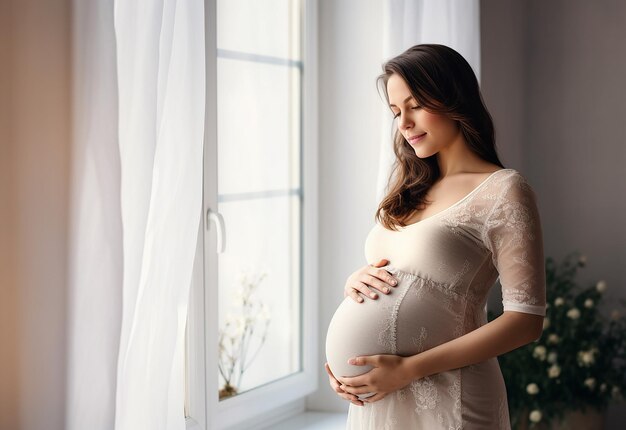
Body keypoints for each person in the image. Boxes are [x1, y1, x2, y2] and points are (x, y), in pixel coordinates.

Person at [324, 43, 546, 429]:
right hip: (380, 397)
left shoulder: (503, 190)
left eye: (415, 105)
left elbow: (525, 321)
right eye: (396, 112)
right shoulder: (410, 187)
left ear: (451, 97)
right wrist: (355, 282)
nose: (404, 123)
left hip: (450, 396)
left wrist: (408, 369)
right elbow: (409, 273)